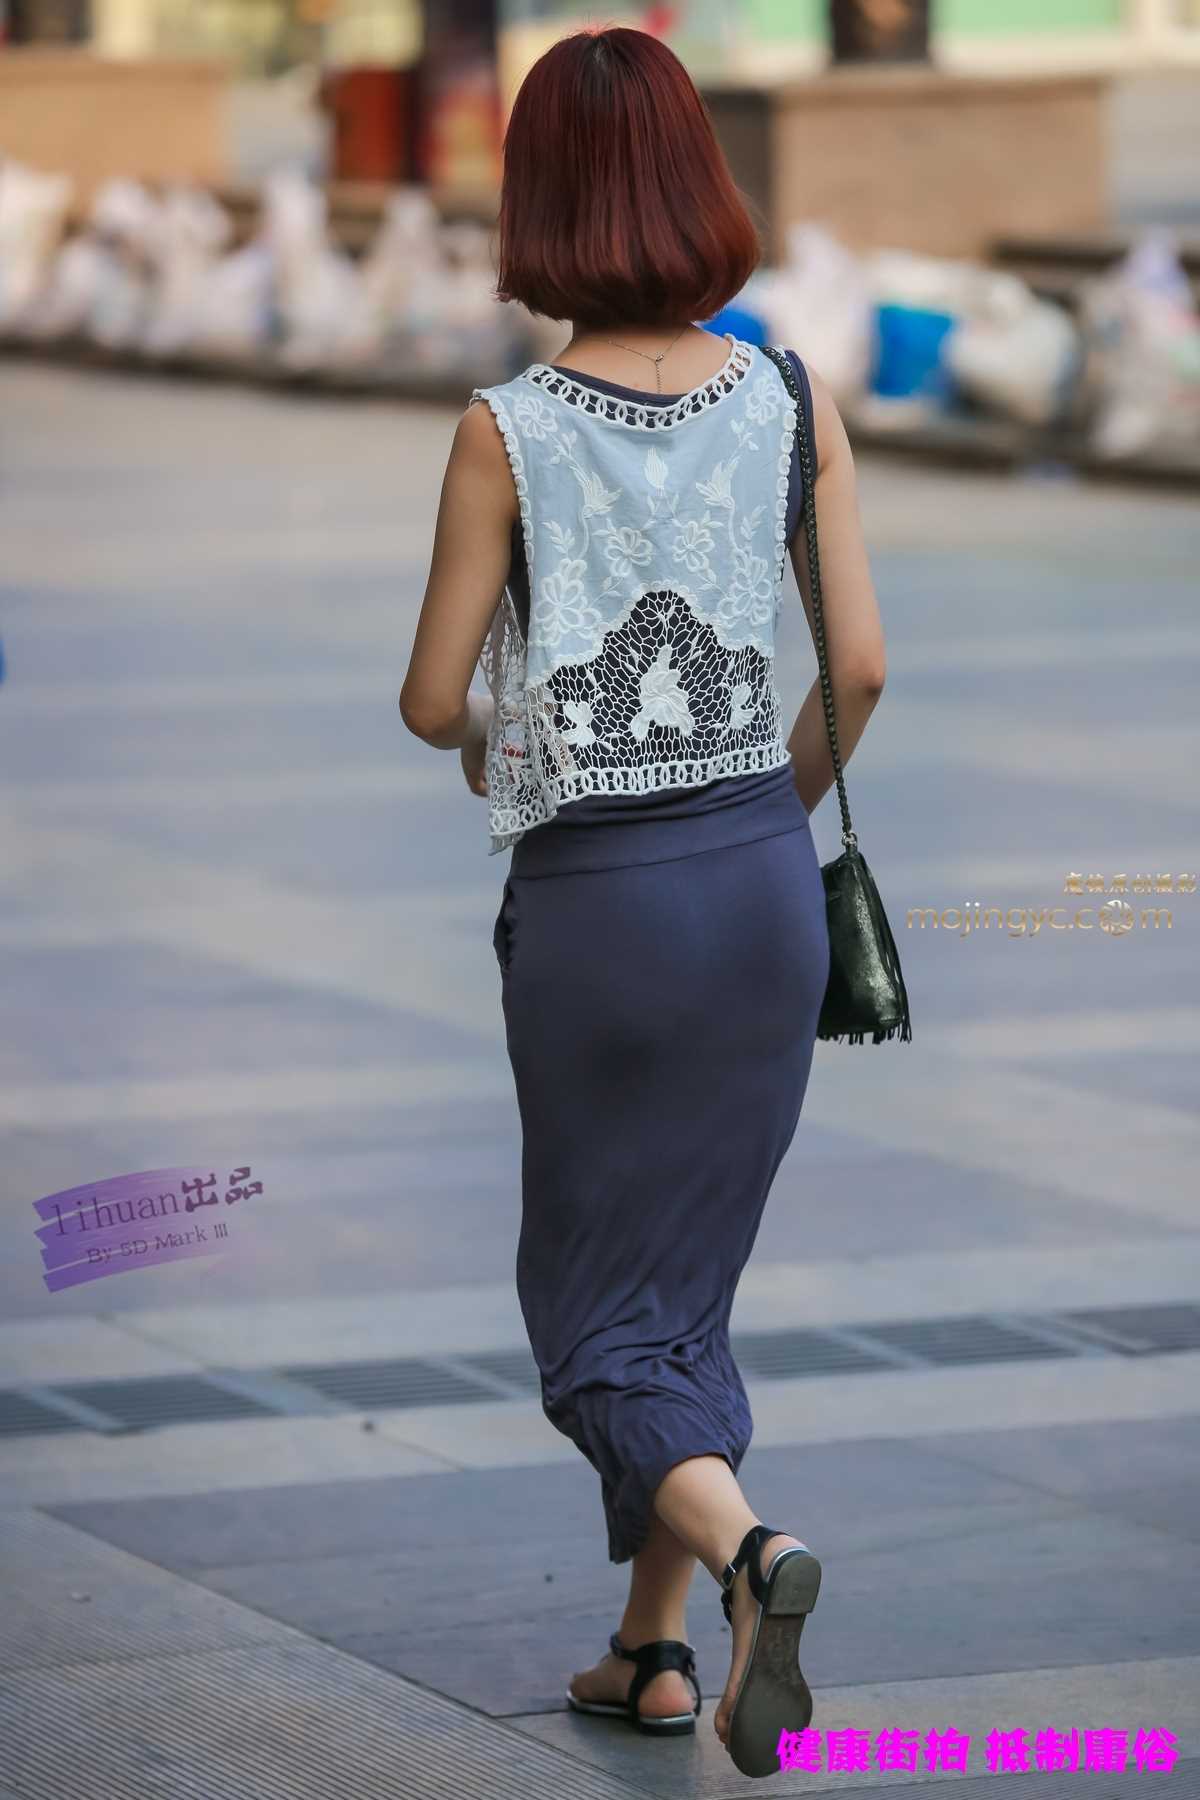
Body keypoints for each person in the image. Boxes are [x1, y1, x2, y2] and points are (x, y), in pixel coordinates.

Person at [400, 24, 886, 1782]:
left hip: (600, 907)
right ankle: (654, 1651)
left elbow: (432, 697)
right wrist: (758, 825)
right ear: (701, 187)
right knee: (687, 1282)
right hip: (759, 877)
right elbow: (860, 669)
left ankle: (751, 1558)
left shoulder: (505, 431)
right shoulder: (793, 399)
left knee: (598, 1326)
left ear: (535, 205)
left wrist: (505, 736)